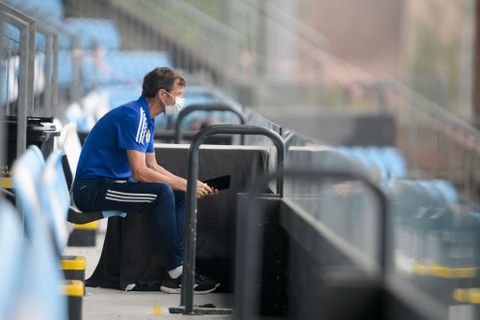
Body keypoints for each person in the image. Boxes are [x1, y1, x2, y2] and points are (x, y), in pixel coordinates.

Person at [72, 67, 219, 294]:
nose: (180, 100)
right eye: (178, 94)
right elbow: (140, 172)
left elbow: (153, 166)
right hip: (92, 189)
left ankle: (179, 267)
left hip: (110, 185)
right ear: (163, 94)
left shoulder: (146, 119)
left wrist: (190, 184)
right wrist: (187, 184)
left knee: (179, 194)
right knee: (163, 193)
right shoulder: (135, 116)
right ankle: (176, 273)